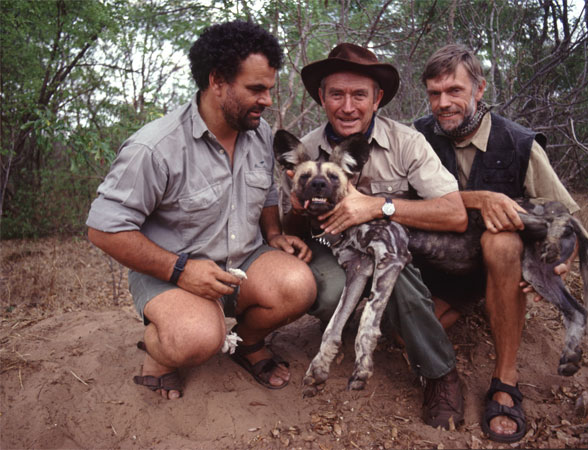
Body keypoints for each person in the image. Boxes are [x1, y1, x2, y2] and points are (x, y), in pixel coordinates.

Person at [86, 21, 316, 399]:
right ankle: (160, 357)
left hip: (241, 261)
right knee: (195, 338)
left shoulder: (257, 131)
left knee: (299, 284)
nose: (268, 101)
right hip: (171, 271)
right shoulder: (155, 147)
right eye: (256, 89)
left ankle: (246, 342)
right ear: (217, 81)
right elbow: (103, 229)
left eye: (270, 89)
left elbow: (268, 191)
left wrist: (273, 234)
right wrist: (180, 270)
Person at [279, 43, 469, 429]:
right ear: (321, 96)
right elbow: (293, 226)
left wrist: (377, 205)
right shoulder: (305, 150)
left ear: (377, 97)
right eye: (337, 94)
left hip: (397, 245)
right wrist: (298, 207)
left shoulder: (405, 142)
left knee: (393, 267)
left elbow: (455, 213)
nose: (348, 106)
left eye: (359, 95)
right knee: (329, 289)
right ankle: (344, 323)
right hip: (336, 250)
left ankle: (439, 372)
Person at [414, 43, 579, 443]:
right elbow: (398, 205)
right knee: (407, 338)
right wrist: (472, 200)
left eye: (454, 90)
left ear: (479, 89)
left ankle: (505, 378)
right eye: (434, 93)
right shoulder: (416, 137)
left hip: (500, 259)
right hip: (446, 265)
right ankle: (467, 302)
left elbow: (564, 217)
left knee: (502, 240)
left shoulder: (519, 142)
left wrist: (560, 259)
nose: (443, 103)